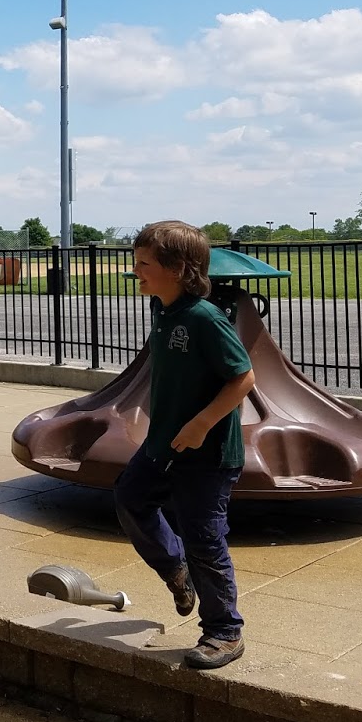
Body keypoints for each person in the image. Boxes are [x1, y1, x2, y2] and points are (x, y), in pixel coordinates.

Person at [115, 220, 256, 671]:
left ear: (176, 269)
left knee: (204, 538)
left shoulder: (204, 317)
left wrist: (200, 424)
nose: (135, 270)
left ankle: (224, 632)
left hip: (207, 454)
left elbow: (243, 378)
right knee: (131, 498)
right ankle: (176, 570)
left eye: (144, 263)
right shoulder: (163, 311)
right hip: (163, 444)